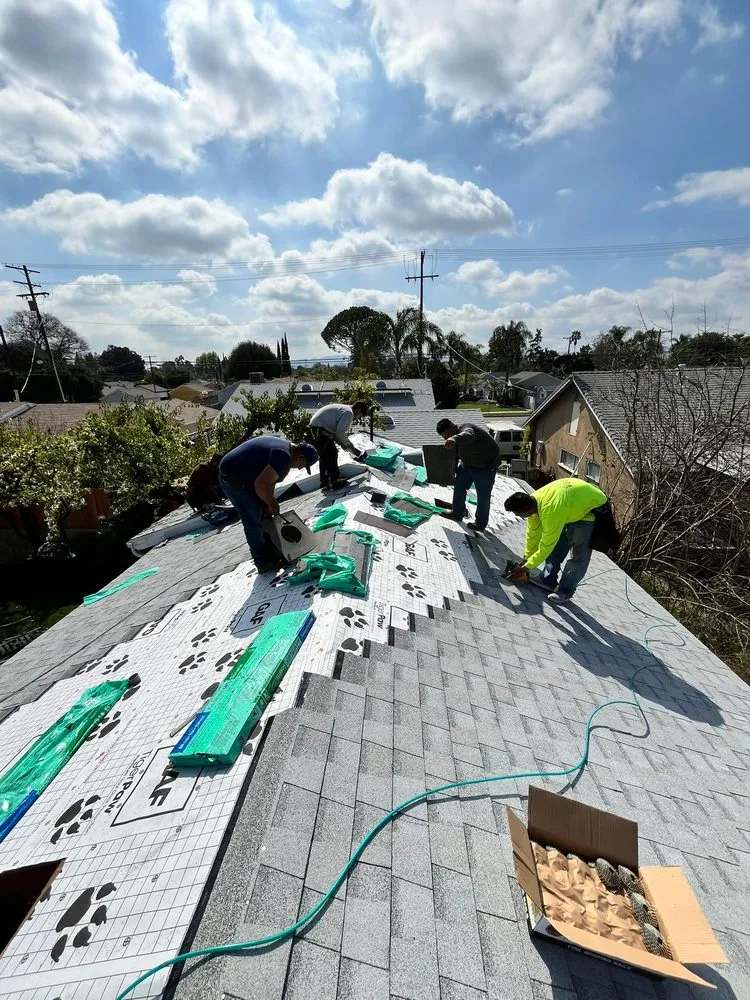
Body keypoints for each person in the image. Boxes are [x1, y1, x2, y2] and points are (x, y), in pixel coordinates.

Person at [219, 436, 318, 572]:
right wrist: (272, 503)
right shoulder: (283, 457)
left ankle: (273, 552)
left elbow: (269, 483)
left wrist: (269, 504)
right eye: (304, 465)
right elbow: (261, 484)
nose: (301, 469)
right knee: (253, 519)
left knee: (264, 513)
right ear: (301, 457)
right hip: (233, 478)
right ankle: (263, 562)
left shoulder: (286, 452)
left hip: (246, 476)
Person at [503, 477, 607, 602]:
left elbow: (546, 546)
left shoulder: (550, 512)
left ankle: (565, 591)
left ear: (526, 511)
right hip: (570, 503)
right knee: (557, 547)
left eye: (517, 514)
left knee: (579, 555)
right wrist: (525, 560)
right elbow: (533, 534)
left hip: (591, 509)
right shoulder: (532, 502)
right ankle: (547, 580)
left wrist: (524, 569)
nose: (517, 516)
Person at [436, 418, 501, 531]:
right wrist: (447, 476)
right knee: (459, 485)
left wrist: (454, 438)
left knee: (483, 496)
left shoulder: (466, 428)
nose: (446, 438)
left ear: (453, 426)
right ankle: (457, 513)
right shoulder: (453, 440)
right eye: (444, 437)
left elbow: (468, 435)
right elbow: (454, 457)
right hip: (468, 465)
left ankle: (480, 523)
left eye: (447, 434)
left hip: (486, 466)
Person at [307, 401, 370, 489]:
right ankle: (333, 481)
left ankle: (327, 481)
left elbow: (335, 434)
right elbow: (340, 432)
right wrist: (349, 445)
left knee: (328, 455)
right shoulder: (349, 413)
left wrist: (342, 444)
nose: (357, 419)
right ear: (359, 410)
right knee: (329, 455)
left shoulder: (345, 409)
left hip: (316, 430)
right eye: (360, 416)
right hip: (319, 431)